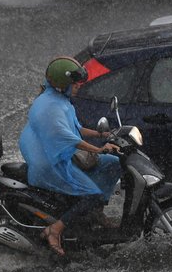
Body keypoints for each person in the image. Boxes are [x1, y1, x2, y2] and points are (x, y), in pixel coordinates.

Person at [19, 56, 122, 257]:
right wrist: (98, 149)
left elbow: (76, 129)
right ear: (61, 85)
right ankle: (55, 229)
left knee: (113, 163)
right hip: (51, 165)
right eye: (74, 83)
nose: (78, 87)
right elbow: (66, 137)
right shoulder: (50, 107)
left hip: (62, 157)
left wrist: (102, 134)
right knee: (92, 194)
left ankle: (95, 213)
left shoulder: (61, 101)